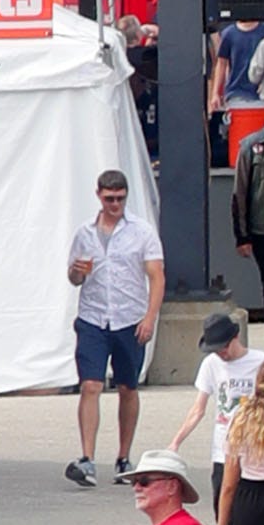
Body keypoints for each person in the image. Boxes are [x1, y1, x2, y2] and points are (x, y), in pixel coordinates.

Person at [66, 169, 164, 485]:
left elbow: (156, 276)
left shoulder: (141, 231)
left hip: (128, 317)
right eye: (109, 199)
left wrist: (149, 317)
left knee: (127, 387)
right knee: (90, 385)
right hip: (94, 317)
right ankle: (87, 458)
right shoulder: (84, 233)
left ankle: (123, 456)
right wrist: (77, 272)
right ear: (99, 196)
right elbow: (74, 278)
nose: (115, 204)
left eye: (120, 199)